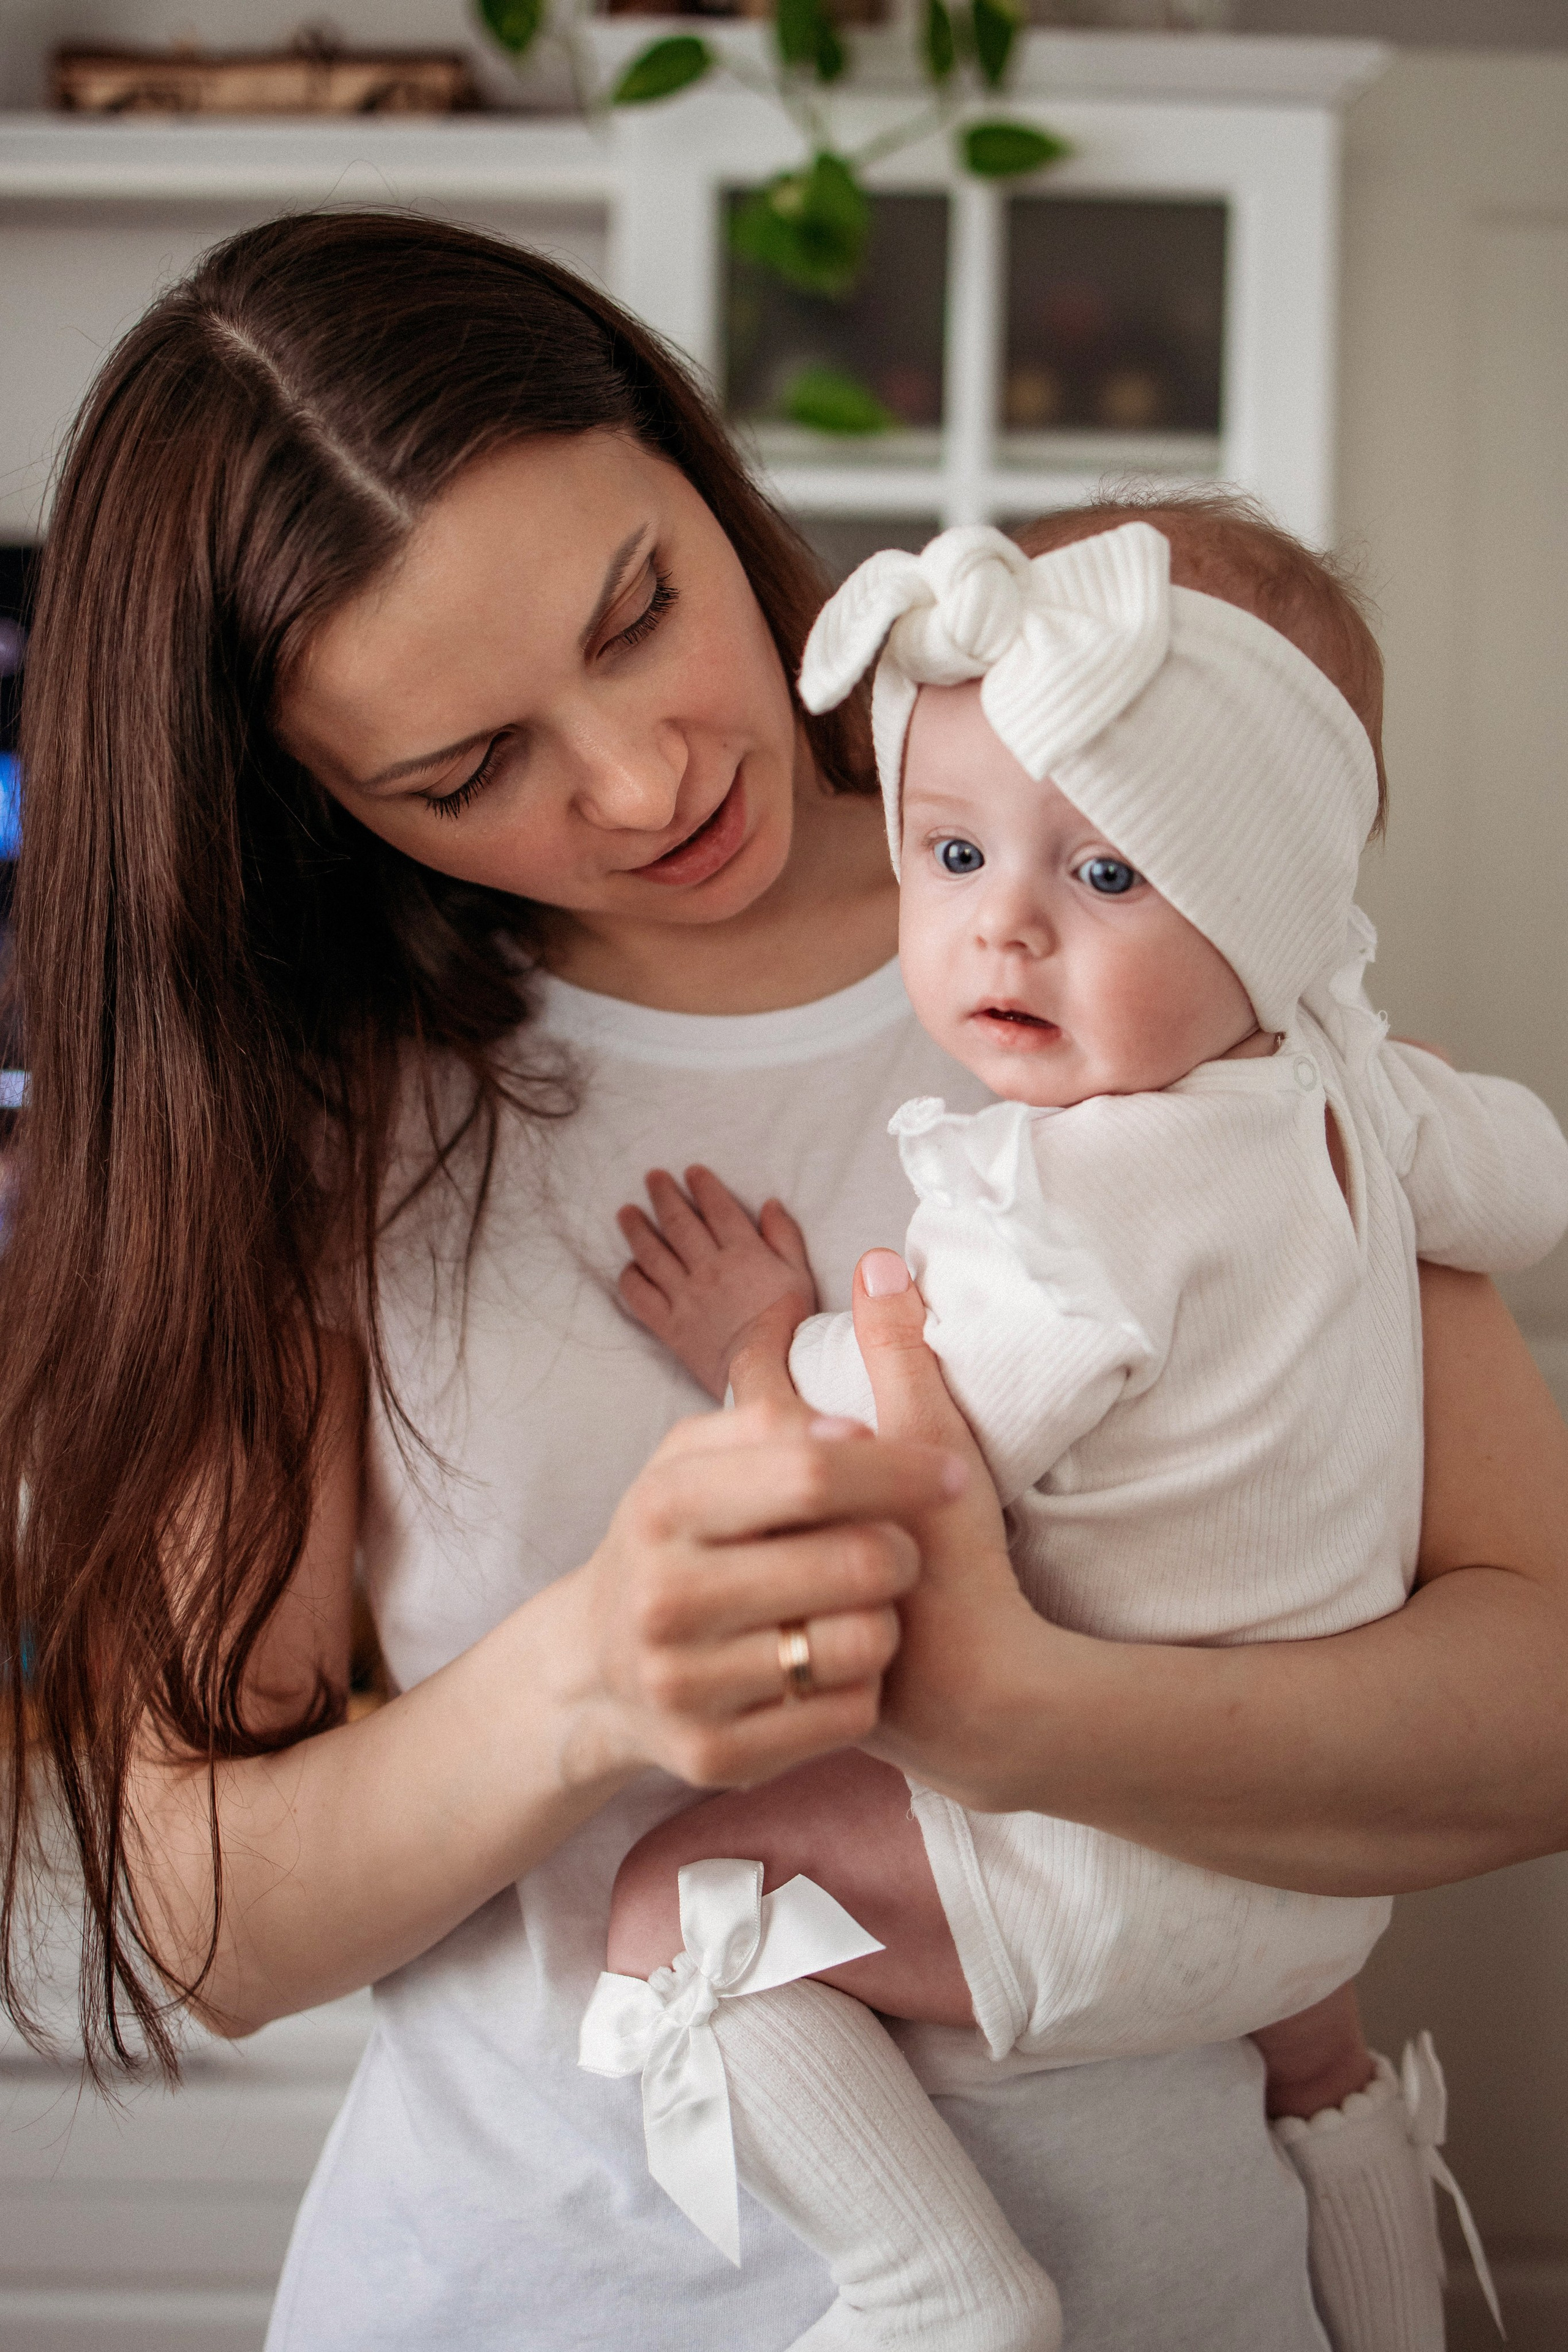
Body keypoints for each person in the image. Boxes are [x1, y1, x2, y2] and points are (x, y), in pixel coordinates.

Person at [1, 211, 1566, 2352]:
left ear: (690, 457)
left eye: (639, 611)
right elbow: (199, 1927)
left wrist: (1024, 1715)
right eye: (469, 770)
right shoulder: (316, 1114)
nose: (644, 779)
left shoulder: (1152, 942)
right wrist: (582, 1687)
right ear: (311, 804)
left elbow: (1536, 1717)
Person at [601, 511, 1566, 2350]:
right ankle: (1389, 2290)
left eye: (1108, 869)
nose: (1004, 925)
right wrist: (1405, 1098)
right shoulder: (1359, 1098)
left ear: (1269, 906)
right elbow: (1529, 1182)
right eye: (955, 851)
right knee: (1317, 2065)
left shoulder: (1079, 1202)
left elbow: (911, 1446)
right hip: (1315, 1888)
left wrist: (756, 1345)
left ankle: (937, 2286)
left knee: (677, 1901)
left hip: (1091, 1878)